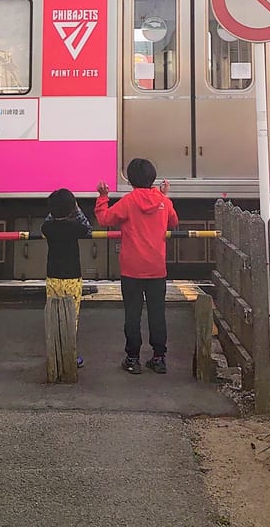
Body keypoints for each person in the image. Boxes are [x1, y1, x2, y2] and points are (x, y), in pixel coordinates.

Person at [95, 157, 179, 375]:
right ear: (152, 177)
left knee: (132, 314)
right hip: (156, 267)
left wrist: (103, 197)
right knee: (157, 313)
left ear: (131, 180)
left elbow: (104, 219)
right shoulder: (162, 201)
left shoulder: (129, 201)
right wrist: (164, 196)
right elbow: (173, 222)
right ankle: (159, 358)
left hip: (132, 269)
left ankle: (133, 359)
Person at [41, 188, 92, 368]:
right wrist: (77, 210)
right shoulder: (75, 227)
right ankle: (70, 355)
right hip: (72, 278)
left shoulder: (47, 228)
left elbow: (47, 221)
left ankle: (54, 354)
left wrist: (55, 210)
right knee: (72, 317)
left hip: (53, 277)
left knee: (54, 314)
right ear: (72, 209)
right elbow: (87, 227)